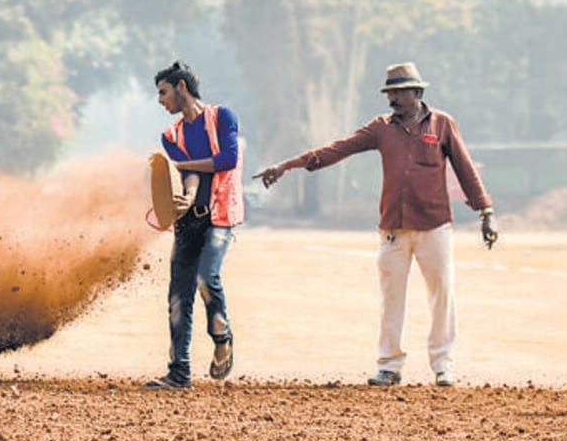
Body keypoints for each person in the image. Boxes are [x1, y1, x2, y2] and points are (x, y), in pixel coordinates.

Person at [253, 62, 496, 387]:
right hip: (393, 228)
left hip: (435, 225)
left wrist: (486, 211)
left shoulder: (441, 125)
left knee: (442, 296)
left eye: (398, 91)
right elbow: (337, 149)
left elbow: (465, 169)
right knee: (391, 298)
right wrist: (288, 165)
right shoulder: (381, 128)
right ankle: (390, 365)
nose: (392, 98)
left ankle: (443, 365)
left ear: (417, 92)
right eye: (389, 92)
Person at [143, 60, 244, 390]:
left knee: (206, 277)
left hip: (218, 217)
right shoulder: (170, 135)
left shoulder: (222, 117)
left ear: (181, 87)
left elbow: (227, 160)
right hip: (188, 221)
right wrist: (185, 196)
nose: (160, 100)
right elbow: (189, 177)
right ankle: (179, 372)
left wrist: (182, 167)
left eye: (163, 92)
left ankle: (222, 337)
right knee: (178, 296)